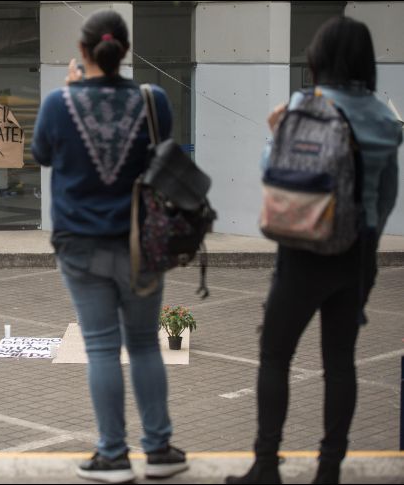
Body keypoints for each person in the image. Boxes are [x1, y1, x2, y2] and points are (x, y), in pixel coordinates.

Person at [226, 16, 402, 485]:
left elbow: (273, 171)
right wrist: (363, 236)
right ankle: (328, 471)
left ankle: (265, 466)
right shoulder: (387, 119)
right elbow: (387, 197)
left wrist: (275, 131)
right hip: (355, 254)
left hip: (302, 252)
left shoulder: (306, 104)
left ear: (318, 60)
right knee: (340, 362)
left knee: (275, 355)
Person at [32, 10, 189, 484]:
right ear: (124, 52)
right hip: (142, 243)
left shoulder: (59, 103)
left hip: (79, 244)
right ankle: (160, 451)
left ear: (83, 52)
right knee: (143, 344)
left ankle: (113, 456)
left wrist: (69, 84)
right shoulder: (152, 98)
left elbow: (41, 154)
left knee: (102, 349)